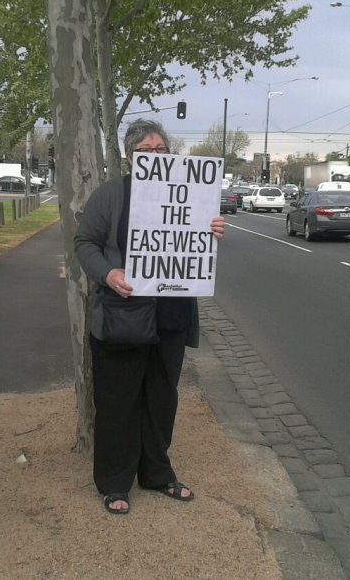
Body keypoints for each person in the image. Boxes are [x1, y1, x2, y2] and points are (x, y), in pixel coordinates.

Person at [74, 119, 225, 515]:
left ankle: (157, 473)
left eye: (160, 150)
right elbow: (84, 242)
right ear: (129, 157)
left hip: (171, 315)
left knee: (161, 400)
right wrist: (108, 273)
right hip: (122, 314)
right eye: (145, 151)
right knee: (117, 400)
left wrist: (212, 230)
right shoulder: (110, 196)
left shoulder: (192, 195)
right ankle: (113, 481)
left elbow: (194, 244)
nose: (154, 156)